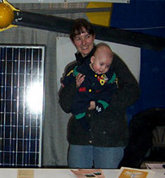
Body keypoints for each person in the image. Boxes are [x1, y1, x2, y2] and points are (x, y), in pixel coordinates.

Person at [59, 18, 140, 169]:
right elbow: (65, 105)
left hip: (109, 138)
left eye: (87, 36)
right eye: (78, 38)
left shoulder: (111, 62)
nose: (83, 42)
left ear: (94, 37)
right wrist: (74, 86)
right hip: (81, 139)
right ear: (73, 41)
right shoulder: (72, 69)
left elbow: (133, 91)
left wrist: (99, 104)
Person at [62, 43, 117, 131]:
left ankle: (101, 106)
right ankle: (83, 122)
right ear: (92, 60)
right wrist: (66, 82)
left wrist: (99, 102)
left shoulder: (109, 74)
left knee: (107, 95)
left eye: (107, 66)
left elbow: (113, 88)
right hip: (83, 95)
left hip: (99, 95)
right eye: (101, 64)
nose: (103, 68)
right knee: (77, 106)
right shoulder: (82, 68)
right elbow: (71, 75)